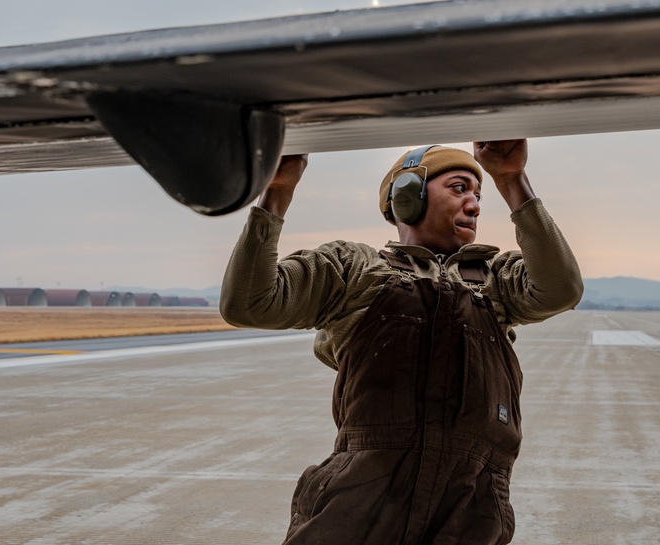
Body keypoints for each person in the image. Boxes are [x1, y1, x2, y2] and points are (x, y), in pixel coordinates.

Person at [219, 140, 582, 545]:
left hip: (469, 514)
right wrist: (277, 194)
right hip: (358, 510)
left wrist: (513, 181)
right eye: (460, 188)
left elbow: (561, 289)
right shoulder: (354, 268)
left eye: (478, 195)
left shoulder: (496, 279)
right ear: (408, 195)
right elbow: (248, 303)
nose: (475, 204)